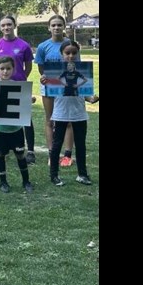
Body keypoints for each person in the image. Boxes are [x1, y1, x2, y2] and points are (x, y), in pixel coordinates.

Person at [43, 41, 99, 187]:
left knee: (80, 145)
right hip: (60, 113)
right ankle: (54, 175)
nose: (71, 56)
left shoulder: (80, 70)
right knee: (57, 145)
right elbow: (54, 84)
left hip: (79, 113)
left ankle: (82, 174)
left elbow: (85, 92)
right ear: (62, 54)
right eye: (67, 53)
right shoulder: (58, 71)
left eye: (74, 53)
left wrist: (92, 98)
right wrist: (45, 81)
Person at [0, 15, 37, 163]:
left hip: (19, 87)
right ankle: (2, 149)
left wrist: (20, 79)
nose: (6, 28)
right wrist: (1, 81)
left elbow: (28, 66)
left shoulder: (23, 45)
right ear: (0, 27)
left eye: (9, 25)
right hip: (3, 87)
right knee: (3, 119)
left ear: (14, 25)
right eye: (3, 25)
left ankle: (30, 151)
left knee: (25, 119)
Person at [0, 56, 33, 193]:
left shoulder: (17, 85)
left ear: (13, 70)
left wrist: (30, 100)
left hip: (15, 128)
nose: (5, 71)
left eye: (8, 68)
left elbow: (23, 105)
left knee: (20, 154)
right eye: (2, 69)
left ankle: (26, 181)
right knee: (0, 154)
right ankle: (3, 182)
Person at [35, 15, 75, 167]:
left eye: (59, 25)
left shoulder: (71, 45)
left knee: (68, 121)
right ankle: (52, 154)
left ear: (64, 26)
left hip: (67, 87)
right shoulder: (43, 47)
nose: (56, 27)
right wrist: (45, 78)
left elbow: (77, 66)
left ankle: (67, 155)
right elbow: (41, 69)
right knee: (50, 120)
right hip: (49, 88)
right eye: (53, 25)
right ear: (49, 27)